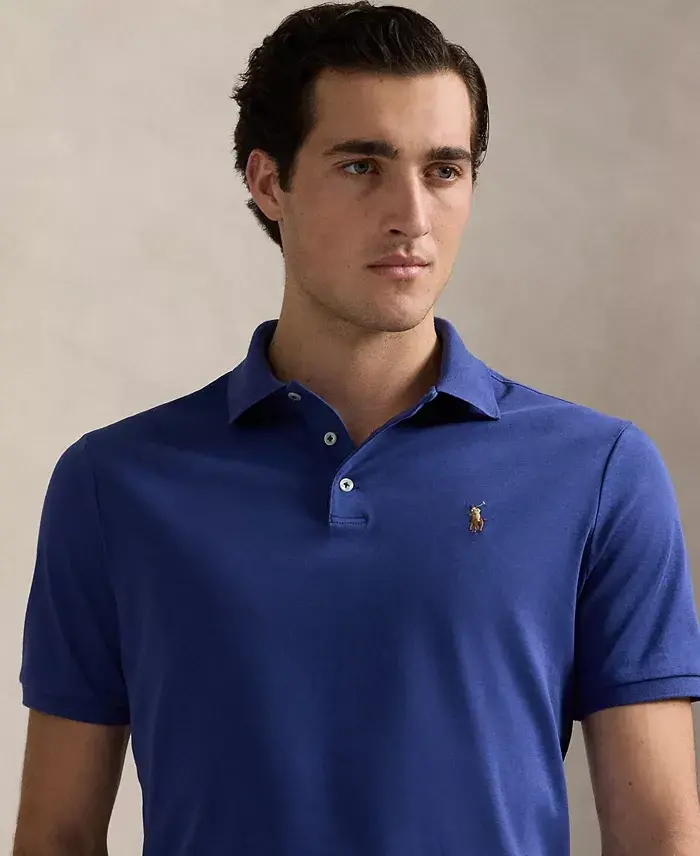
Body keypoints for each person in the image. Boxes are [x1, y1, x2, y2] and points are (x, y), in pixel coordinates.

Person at [13, 3, 700, 855]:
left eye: (443, 170)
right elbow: (57, 835)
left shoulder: (598, 473)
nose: (412, 214)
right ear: (270, 183)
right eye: (362, 166)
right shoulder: (114, 485)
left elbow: (661, 838)